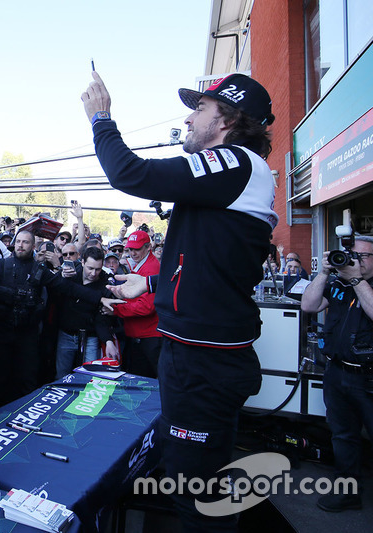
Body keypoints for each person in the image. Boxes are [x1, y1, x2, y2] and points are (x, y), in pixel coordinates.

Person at [82, 71, 278, 531]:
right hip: (193, 355)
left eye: (201, 109)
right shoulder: (227, 179)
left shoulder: (237, 163)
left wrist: (102, 119)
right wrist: (149, 286)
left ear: (227, 119)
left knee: (198, 497)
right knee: (185, 479)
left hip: (205, 361)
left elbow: (130, 173)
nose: (189, 118)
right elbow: (213, 262)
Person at [0, 229, 119, 411]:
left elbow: (69, 288)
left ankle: (24, 412)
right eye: (19, 241)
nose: (21, 245)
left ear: (34, 246)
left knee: (27, 377)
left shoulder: (40, 271)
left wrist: (100, 299)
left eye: (26, 242)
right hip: (1, 332)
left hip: (27, 334)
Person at [301, 241, 373, 512]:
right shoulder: (339, 284)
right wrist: (323, 273)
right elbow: (309, 306)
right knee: (343, 437)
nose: (354, 260)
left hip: (368, 379)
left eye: (361, 256)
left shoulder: (361, 283)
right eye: (351, 255)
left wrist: (356, 279)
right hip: (337, 372)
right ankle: (348, 493)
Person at [55, 246, 119, 377]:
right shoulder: (70, 274)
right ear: (82, 262)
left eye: (98, 269)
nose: (94, 273)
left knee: (90, 377)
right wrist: (60, 276)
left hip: (90, 336)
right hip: (66, 334)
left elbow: (102, 317)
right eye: (90, 268)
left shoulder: (105, 283)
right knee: (62, 375)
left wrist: (108, 341)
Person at [111, 230, 161, 378]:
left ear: (148, 247)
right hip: (141, 335)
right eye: (130, 249)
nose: (132, 253)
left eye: (137, 249)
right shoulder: (142, 264)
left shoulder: (151, 268)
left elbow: (146, 307)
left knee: (143, 381)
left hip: (147, 337)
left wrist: (116, 310)